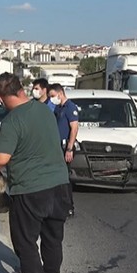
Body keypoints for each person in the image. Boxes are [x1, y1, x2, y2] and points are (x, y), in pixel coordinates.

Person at [0, 72, 72, 273]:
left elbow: (0, 159)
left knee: (25, 242)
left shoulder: (13, 120)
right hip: (60, 185)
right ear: (22, 89)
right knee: (53, 239)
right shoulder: (44, 111)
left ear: (0, 98)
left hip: (31, 189)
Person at [48, 83, 78, 217]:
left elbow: (74, 128)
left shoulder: (70, 107)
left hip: (66, 146)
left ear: (60, 93)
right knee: (57, 178)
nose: (52, 99)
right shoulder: (59, 108)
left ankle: (68, 206)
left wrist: (69, 148)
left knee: (64, 178)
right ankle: (59, 204)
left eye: (53, 96)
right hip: (57, 146)